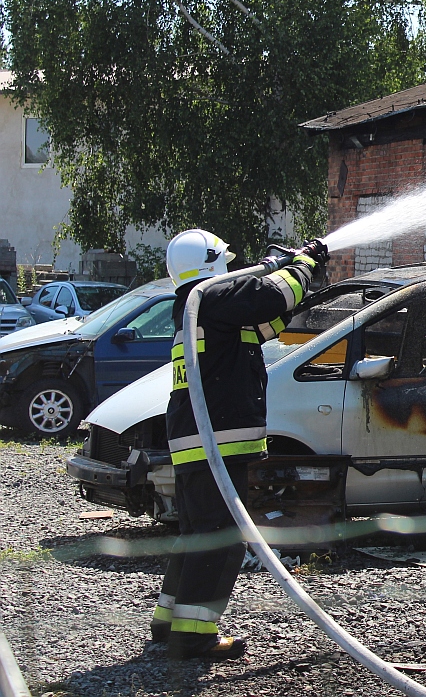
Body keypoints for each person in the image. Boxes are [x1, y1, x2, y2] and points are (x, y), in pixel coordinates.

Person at [150, 229, 327, 660]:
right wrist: (304, 261)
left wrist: (304, 291)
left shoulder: (196, 307)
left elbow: (265, 320)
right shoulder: (212, 296)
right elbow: (273, 295)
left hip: (197, 441)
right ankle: (193, 635)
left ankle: (168, 620)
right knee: (222, 537)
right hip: (217, 441)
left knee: (198, 533)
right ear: (211, 262)